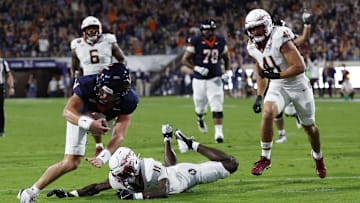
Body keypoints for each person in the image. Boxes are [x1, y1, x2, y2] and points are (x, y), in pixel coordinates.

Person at [18, 63, 139, 203]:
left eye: (107, 91)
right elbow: (67, 111)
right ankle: (29, 193)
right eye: (100, 88)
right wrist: (90, 123)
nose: (101, 93)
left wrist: (103, 158)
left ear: (120, 94)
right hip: (80, 116)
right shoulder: (88, 84)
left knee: (74, 161)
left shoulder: (129, 100)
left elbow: (119, 135)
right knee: (71, 163)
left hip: (102, 118)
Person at [46, 124, 238, 200]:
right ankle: (167, 139)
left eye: (122, 171)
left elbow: (163, 191)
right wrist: (70, 194)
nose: (118, 176)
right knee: (169, 166)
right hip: (170, 172)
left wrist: (136, 197)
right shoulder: (118, 176)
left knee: (231, 164)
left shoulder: (149, 166)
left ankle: (192, 144)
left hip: (183, 178)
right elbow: (97, 187)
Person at [245, 9, 326, 178]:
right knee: (268, 113)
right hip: (278, 85)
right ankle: (265, 158)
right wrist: (260, 95)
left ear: (266, 25)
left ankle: (318, 157)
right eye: (251, 29)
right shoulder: (252, 46)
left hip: (298, 85)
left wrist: (277, 75)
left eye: (257, 28)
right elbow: (261, 69)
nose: (254, 32)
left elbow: (299, 66)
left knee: (309, 128)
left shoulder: (279, 35)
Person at [71, 16, 127, 156]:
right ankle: (99, 145)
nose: (91, 32)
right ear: (84, 31)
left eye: (94, 28)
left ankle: (114, 141)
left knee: (116, 111)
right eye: (88, 29)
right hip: (90, 82)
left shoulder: (108, 40)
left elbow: (121, 58)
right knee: (92, 114)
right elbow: (74, 66)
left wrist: (119, 73)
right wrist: (76, 80)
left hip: (108, 81)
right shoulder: (77, 44)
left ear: (99, 29)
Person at [181, 19, 230, 143]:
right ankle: (200, 118)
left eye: (209, 29)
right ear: (202, 30)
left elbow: (226, 58)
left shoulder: (220, 41)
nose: (207, 32)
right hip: (199, 80)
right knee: (200, 107)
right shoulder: (196, 41)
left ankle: (219, 133)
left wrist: (227, 71)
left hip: (215, 78)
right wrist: (196, 68)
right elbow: (185, 60)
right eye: (205, 30)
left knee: (217, 105)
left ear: (213, 30)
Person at [272, 11, 312, 143]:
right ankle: (282, 134)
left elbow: (301, 40)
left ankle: (298, 117)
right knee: (274, 109)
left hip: (293, 78)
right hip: (277, 79)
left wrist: (307, 25)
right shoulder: (264, 43)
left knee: (290, 112)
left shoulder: (285, 39)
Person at [0, 58, 15, 137]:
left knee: (0, 109)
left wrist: (11, 87)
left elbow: (8, 75)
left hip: (0, 87)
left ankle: (1, 131)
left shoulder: (2, 62)